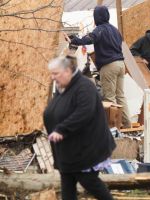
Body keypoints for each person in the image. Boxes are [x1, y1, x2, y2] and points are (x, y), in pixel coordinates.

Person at [43, 56, 115, 200]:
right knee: (67, 188)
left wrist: (61, 129)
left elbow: (84, 112)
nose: (53, 77)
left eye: (56, 73)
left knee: (89, 181)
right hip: (68, 151)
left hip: (86, 149)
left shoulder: (84, 86)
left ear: (68, 71)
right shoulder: (63, 88)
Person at [64, 5, 131, 128]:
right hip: (121, 64)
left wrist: (74, 41)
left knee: (109, 98)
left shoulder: (100, 29)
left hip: (109, 66)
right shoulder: (115, 30)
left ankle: (111, 128)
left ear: (97, 17)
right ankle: (127, 125)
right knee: (120, 96)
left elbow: (90, 39)